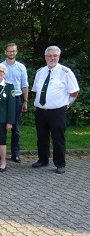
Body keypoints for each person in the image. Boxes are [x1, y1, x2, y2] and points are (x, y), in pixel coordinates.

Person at [31, 46, 79, 174]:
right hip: (41, 110)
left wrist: (66, 104)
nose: (52, 58)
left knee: (58, 138)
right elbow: (36, 90)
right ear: (45, 57)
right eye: (49, 56)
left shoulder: (65, 72)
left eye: (55, 56)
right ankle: (42, 159)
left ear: (58, 57)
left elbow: (74, 91)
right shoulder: (40, 72)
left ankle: (60, 163)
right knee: (41, 136)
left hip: (57, 111)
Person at [1, 43, 29, 163]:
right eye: (9, 51)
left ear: (16, 52)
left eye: (13, 51)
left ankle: (15, 153)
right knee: (1, 126)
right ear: (5, 52)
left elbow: (24, 85)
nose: (11, 53)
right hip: (2, 99)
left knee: (15, 127)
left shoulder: (21, 67)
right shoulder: (0, 66)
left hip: (16, 99)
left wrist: (25, 101)